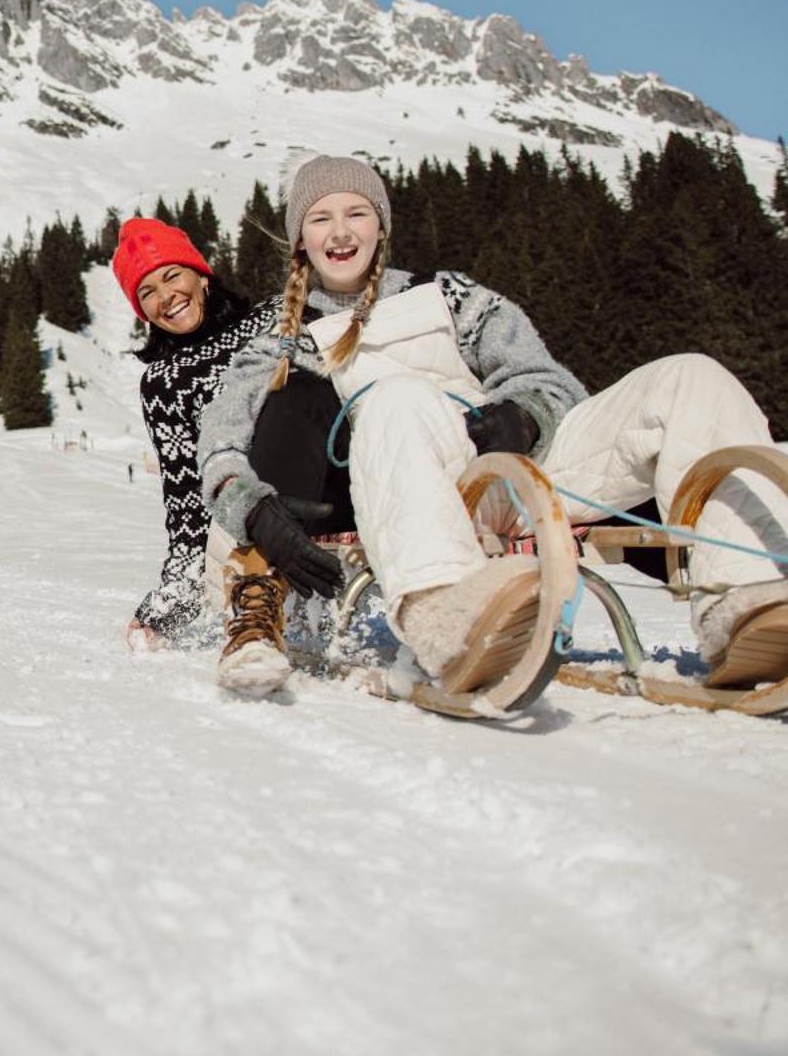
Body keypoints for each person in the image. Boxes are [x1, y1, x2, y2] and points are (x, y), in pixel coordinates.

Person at [196, 154, 788, 698]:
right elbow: (220, 445)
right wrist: (250, 504)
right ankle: (445, 618)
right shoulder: (279, 336)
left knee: (690, 376)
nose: (341, 232)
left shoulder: (450, 295)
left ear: (381, 225)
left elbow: (548, 380)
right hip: (420, 497)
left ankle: (749, 599)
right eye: (321, 218)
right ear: (302, 237)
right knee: (397, 394)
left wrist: (523, 414)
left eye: (357, 213)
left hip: (521, 471)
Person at [112, 216, 280, 646]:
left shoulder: (276, 318)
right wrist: (178, 592)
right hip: (257, 516)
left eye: (172, 276)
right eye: (146, 292)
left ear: (201, 276)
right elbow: (187, 493)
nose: (166, 298)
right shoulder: (166, 382)